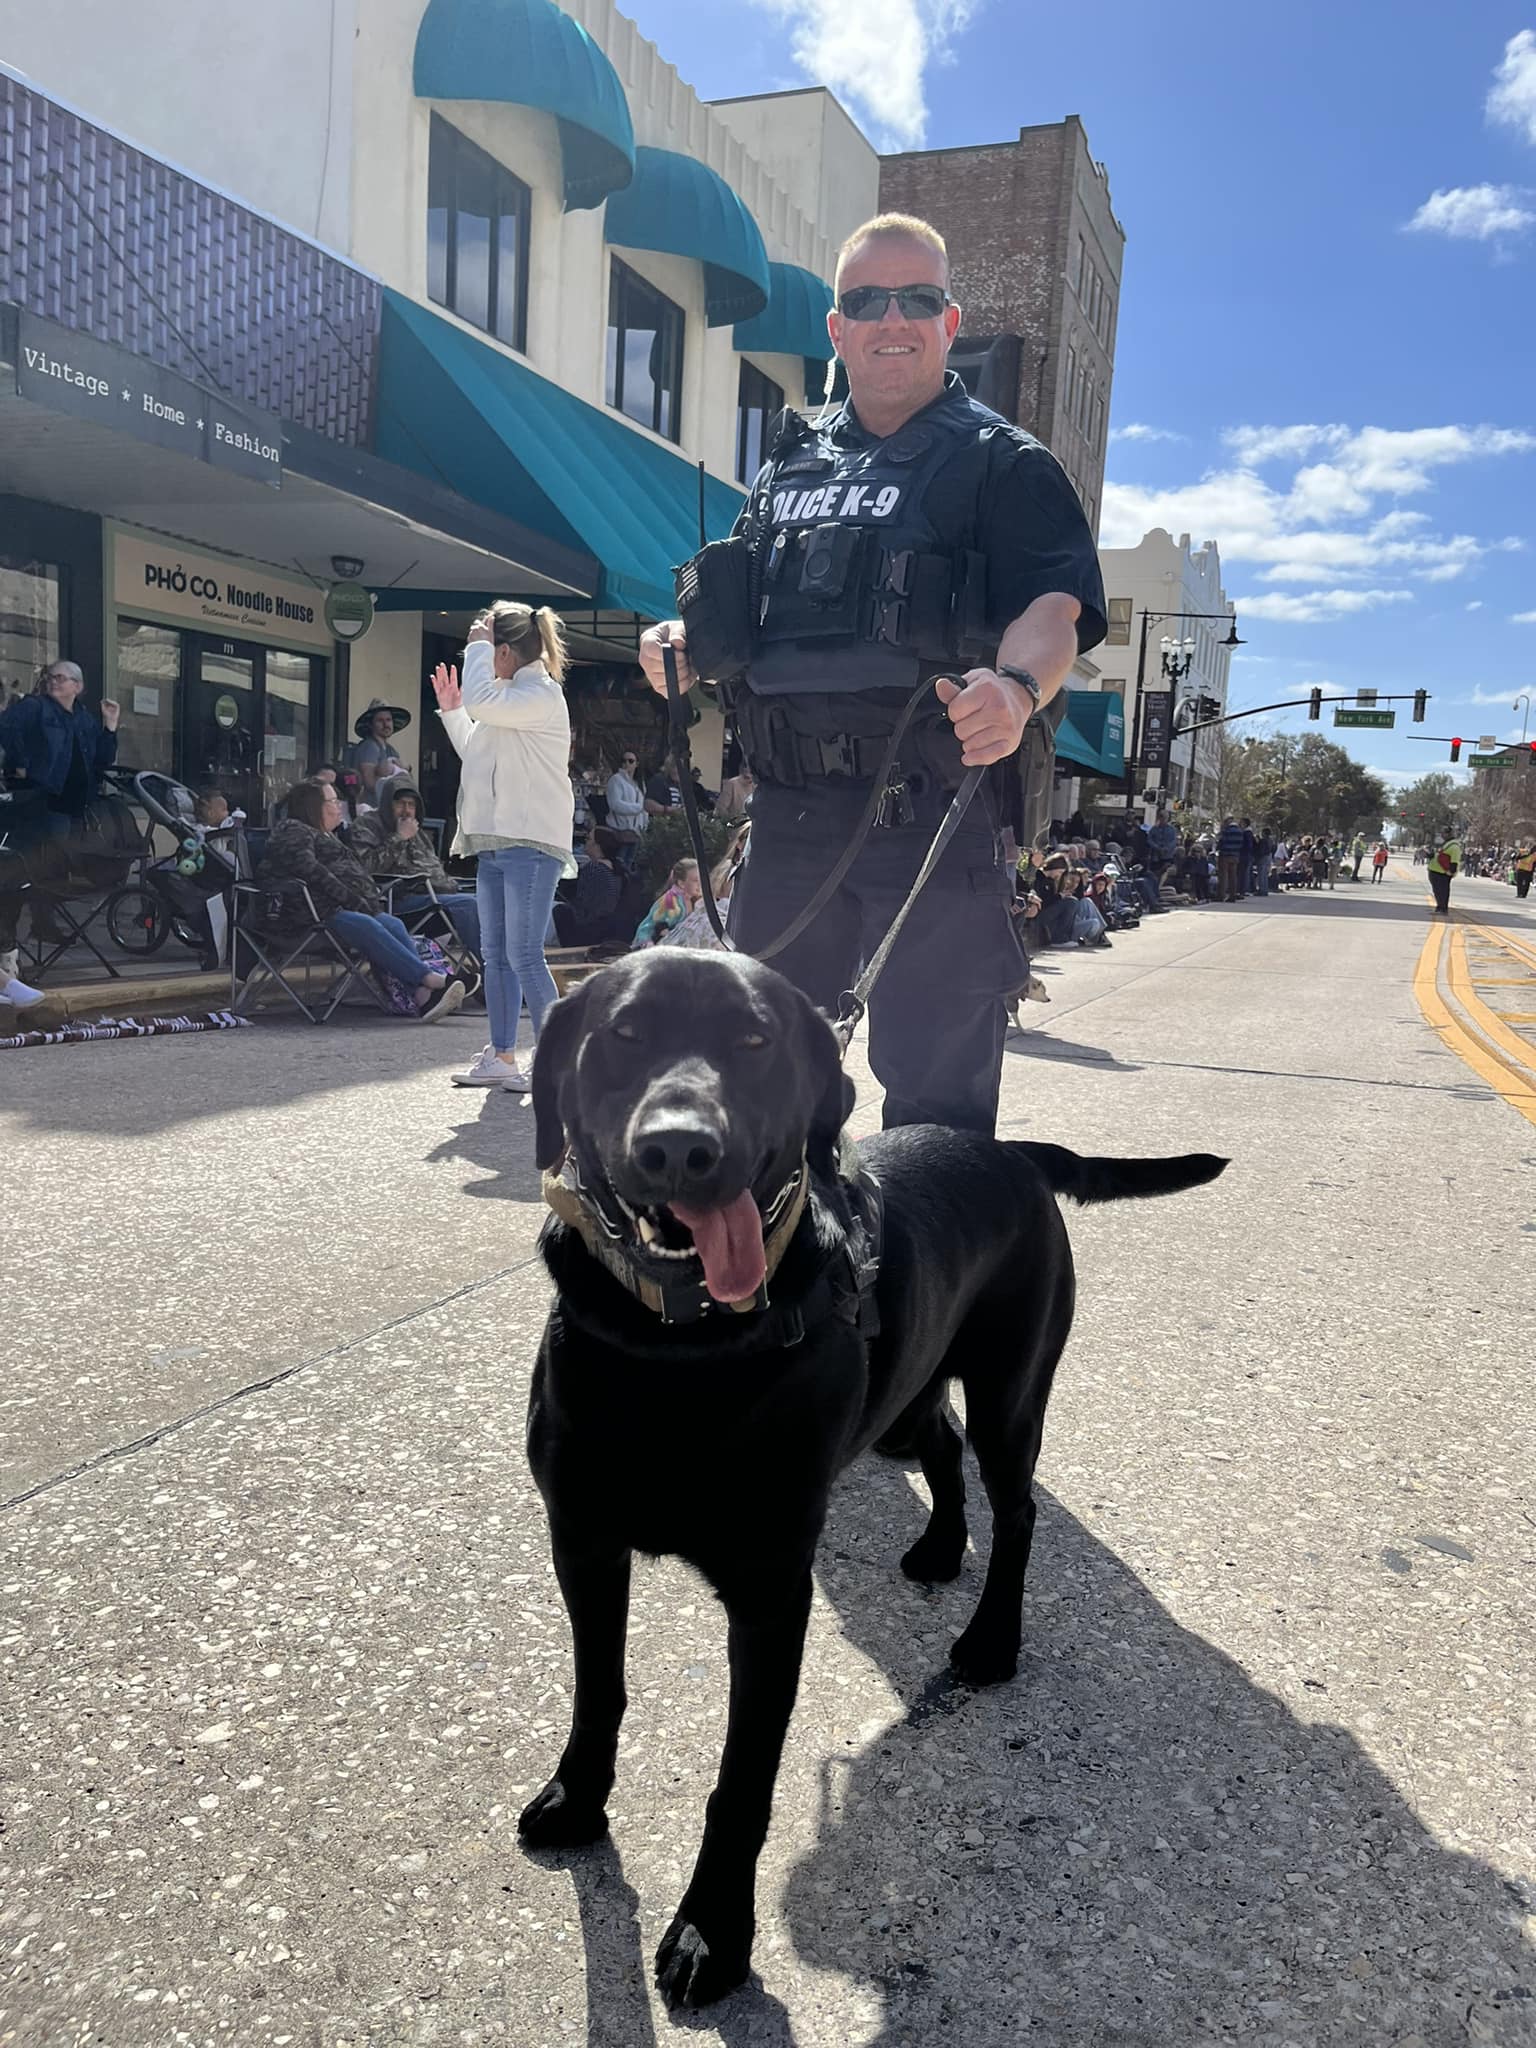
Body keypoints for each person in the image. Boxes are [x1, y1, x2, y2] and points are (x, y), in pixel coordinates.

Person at [640, 210, 1106, 1134]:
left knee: (935, 1112)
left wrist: (1016, 689)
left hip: (930, 820)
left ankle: (928, 1281)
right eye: (868, 300)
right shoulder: (786, 466)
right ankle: (777, 1279)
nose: (892, 318)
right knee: (757, 1099)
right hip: (790, 823)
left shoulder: (1003, 464)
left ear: (948, 322)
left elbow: (1054, 612)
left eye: (916, 299)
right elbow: (745, 613)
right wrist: (680, 645)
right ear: (837, 328)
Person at [432, 601, 574, 1091]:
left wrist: (475, 646)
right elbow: (477, 749)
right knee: (496, 953)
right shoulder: (511, 696)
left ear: (506, 651)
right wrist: (453, 713)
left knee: (525, 954)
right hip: (495, 840)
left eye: (488, 649)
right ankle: (504, 1055)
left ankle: (554, 1063)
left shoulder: (541, 694)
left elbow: (483, 704)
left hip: (530, 843)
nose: (481, 656)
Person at [253, 779, 467, 1019]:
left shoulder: (328, 836)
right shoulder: (294, 829)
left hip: (335, 912)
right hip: (302, 918)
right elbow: (309, 870)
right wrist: (353, 899)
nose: (339, 806)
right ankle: (429, 979)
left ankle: (422, 997)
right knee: (365, 924)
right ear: (314, 806)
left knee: (392, 924)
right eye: (333, 801)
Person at [0, 660, 121, 979]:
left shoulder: (83, 718)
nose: (54, 682)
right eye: (51, 677)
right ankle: (23, 933)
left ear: (77, 686)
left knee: (57, 867)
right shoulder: (35, 708)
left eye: (61, 678)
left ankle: (41, 922)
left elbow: (102, 759)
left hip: (75, 806)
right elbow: (6, 728)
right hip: (43, 802)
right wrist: (20, 765)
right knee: (41, 867)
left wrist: (110, 725)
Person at [349, 769, 483, 960]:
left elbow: (434, 868)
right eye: (400, 803)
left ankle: (507, 969)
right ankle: (492, 971)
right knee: (469, 905)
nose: (406, 810)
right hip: (396, 901)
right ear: (388, 804)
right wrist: (399, 838)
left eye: (411, 805)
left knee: (490, 901)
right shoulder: (366, 826)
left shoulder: (417, 830)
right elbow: (365, 868)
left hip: (437, 896)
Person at [633, 859, 701, 947]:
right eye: (696, 880)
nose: (700, 884)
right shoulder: (670, 902)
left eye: (702, 879)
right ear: (681, 884)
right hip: (652, 943)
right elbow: (660, 928)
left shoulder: (695, 899)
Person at [350, 702, 411, 796]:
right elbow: (369, 784)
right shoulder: (369, 747)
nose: (385, 724)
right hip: (370, 806)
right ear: (371, 724)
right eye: (380, 720)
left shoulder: (391, 750)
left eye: (388, 720)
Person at [604, 750, 648, 846]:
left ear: (637, 764)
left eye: (630, 761)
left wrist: (644, 827)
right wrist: (639, 808)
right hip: (619, 832)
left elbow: (645, 811)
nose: (626, 763)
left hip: (637, 834)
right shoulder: (616, 779)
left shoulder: (640, 784)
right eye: (624, 761)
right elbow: (615, 804)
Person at [1427, 830, 1461, 915]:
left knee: (1442, 891)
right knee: (1437, 891)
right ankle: (1439, 907)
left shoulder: (1454, 847)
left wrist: (1450, 872)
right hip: (1436, 871)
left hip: (1442, 873)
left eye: (1444, 833)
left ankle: (1443, 909)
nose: (1442, 835)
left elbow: (1454, 861)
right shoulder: (1446, 844)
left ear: (1449, 834)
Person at [1215, 816, 1244, 902]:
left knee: (1223, 876)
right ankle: (1232, 895)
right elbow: (1241, 844)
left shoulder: (1226, 831)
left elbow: (1221, 842)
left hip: (1225, 855)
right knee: (1233, 876)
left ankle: (1221, 895)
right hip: (1235, 855)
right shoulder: (1240, 831)